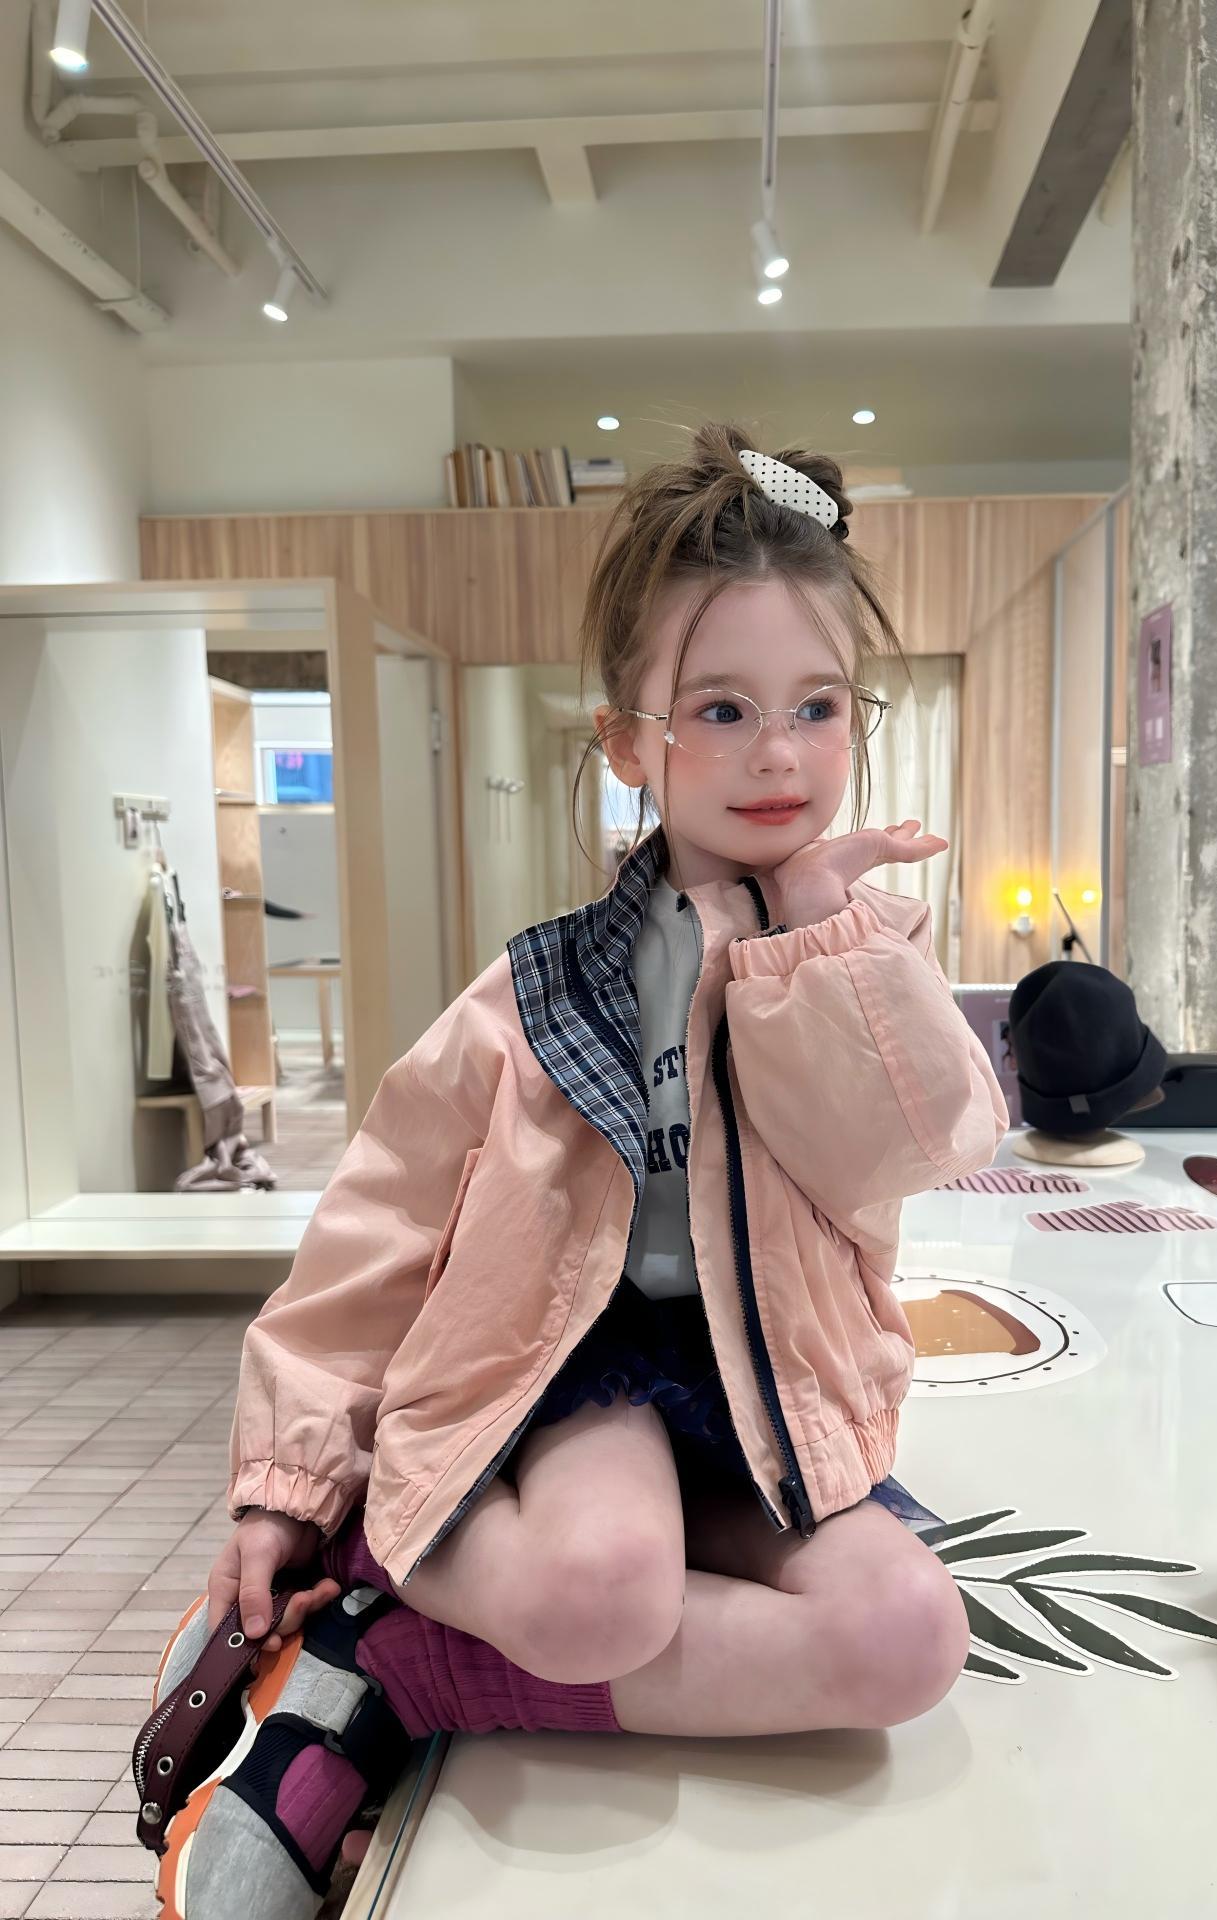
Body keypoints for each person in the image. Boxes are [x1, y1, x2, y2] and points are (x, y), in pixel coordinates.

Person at [152, 424, 1008, 1918]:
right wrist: (288, 1482)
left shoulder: (861, 949)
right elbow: (377, 1234)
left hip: (768, 1398)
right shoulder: (539, 993)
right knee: (602, 1588)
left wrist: (814, 940)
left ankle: (429, 1666)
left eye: (816, 707)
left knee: (910, 1639)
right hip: (572, 1377)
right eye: (722, 708)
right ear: (629, 744)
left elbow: (920, 1144)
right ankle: (383, 1618)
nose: (778, 752)